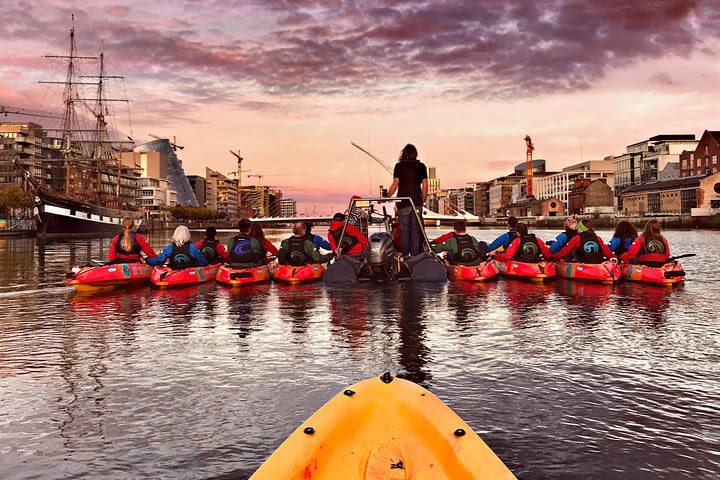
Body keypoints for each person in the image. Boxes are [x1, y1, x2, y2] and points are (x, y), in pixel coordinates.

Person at [385, 144, 428, 256]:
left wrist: (387, 197)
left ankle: (405, 256)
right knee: (415, 230)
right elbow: (425, 186)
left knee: (404, 230)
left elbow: (395, 184)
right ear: (415, 154)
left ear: (403, 153)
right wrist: (422, 200)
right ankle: (415, 257)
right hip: (416, 202)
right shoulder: (422, 166)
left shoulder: (399, 166)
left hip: (403, 202)